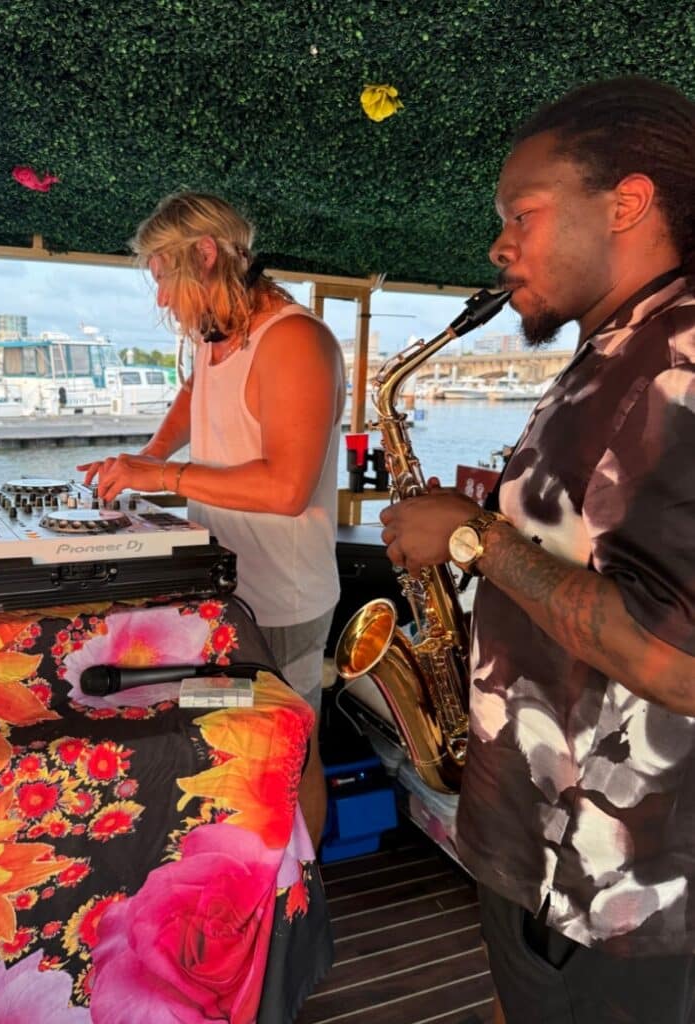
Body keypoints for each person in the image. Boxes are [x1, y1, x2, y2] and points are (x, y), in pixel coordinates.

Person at [380, 77, 695, 1023]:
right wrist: (509, 516)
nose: (498, 245)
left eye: (521, 213)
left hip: (621, 885)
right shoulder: (616, 350)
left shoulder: (681, 359)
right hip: (546, 849)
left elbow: (678, 660)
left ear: (626, 203)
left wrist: (472, 540)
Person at [79, 191, 345, 849]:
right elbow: (193, 396)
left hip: (281, 602)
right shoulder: (215, 337)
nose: (163, 299)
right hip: (223, 590)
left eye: (164, 277)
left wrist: (161, 478)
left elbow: (286, 489)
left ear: (204, 255)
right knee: (222, 728)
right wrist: (143, 459)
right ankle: (247, 860)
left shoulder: (293, 341)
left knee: (289, 747)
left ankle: (298, 886)